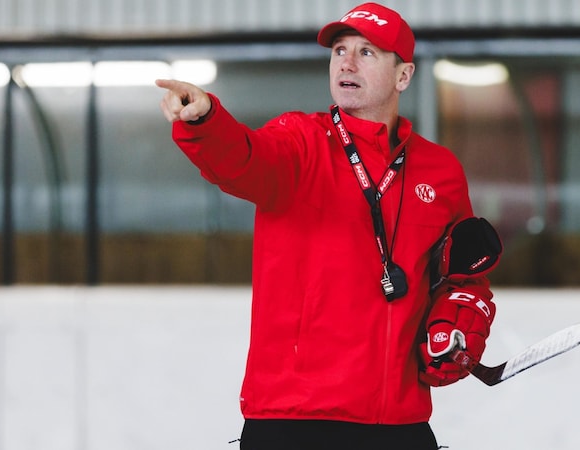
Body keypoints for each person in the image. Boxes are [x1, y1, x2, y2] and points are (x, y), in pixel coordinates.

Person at [156, 3, 499, 449]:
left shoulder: (441, 171)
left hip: (397, 421)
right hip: (291, 419)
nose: (347, 62)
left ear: (404, 76)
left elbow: (464, 277)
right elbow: (243, 159)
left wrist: (456, 323)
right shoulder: (300, 141)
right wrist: (206, 122)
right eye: (339, 50)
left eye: (367, 52)